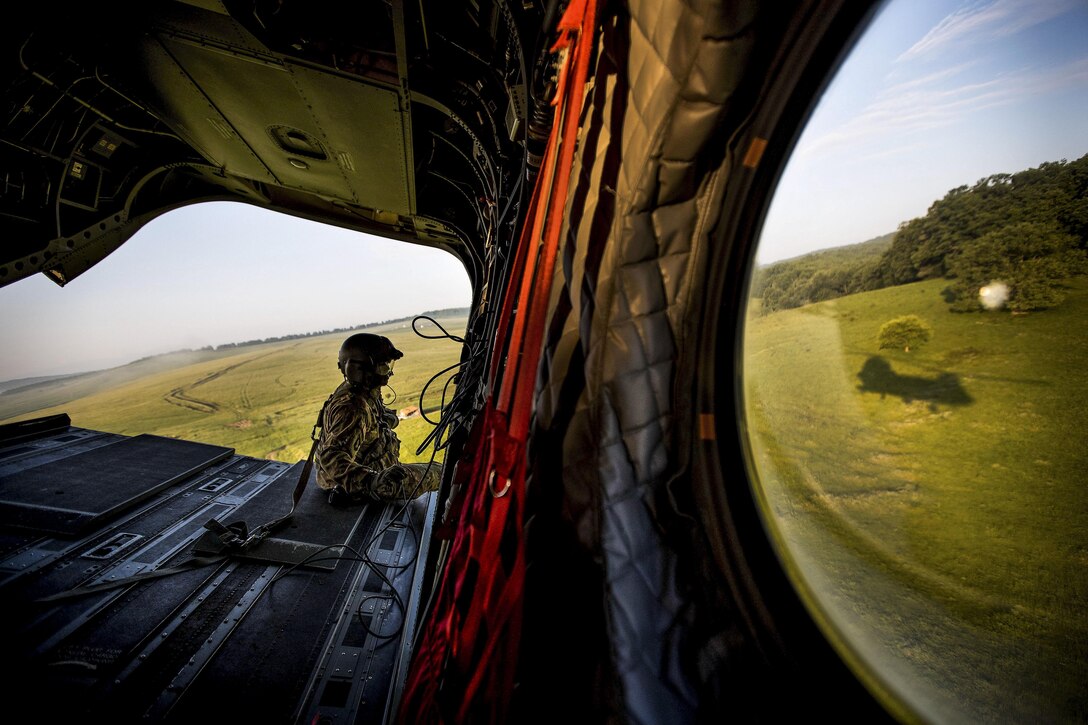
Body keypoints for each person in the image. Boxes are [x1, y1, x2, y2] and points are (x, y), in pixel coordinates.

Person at [315, 332, 440, 506]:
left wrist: (390, 419)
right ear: (360, 369)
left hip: (372, 472)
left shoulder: (363, 391)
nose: (389, 373)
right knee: (442, 474)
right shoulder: (353, 407)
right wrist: (372, 480)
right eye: (383, 367)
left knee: (439, 467)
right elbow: (331, 457)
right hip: (364, 483)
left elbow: (369, 425)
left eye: (389, 365)